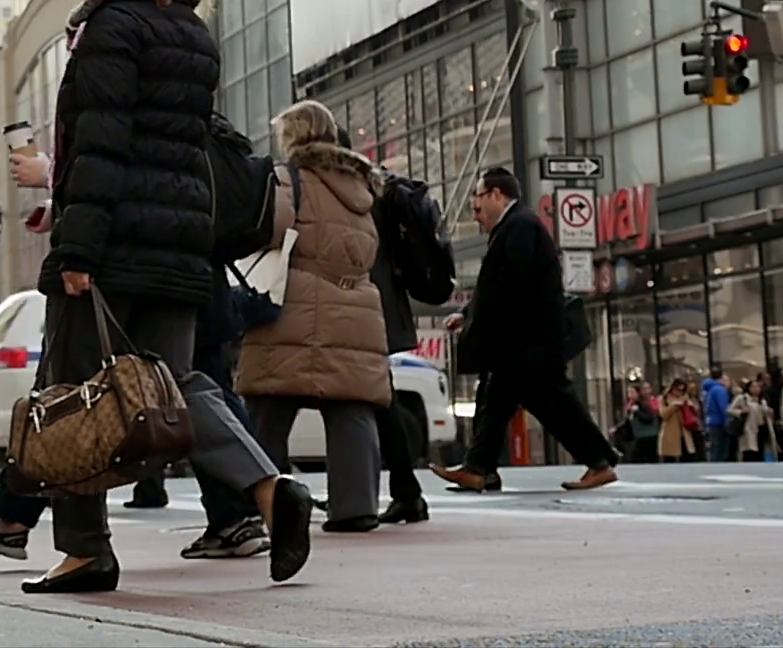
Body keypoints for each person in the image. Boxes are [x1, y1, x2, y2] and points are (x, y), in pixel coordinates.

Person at [0, 0, 312, 592]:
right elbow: (168, 147)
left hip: (113, 247)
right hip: (178, 245)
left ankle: (85, 550)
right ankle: (268, 488)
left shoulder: (110, 26)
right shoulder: (191, 31)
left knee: (71, 391)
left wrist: (76, 247)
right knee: (176, 385)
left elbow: (102, 146)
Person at [239, 102, 392, 534]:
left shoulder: (287, 180)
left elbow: (268, 232)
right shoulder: (361, 188)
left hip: (294, 306)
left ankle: (258, 506)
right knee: (351, 409)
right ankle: (356, 507)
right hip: (354, 308)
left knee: (267, 407)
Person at [432, 168, 618, 492]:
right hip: (523, 341)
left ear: (495, 194)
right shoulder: (515, 225)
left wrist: (479, 319)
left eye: (478, 197)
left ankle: (599, 460)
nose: (476, 208)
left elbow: (510, 282)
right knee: (507, 402)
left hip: (527, 340)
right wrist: (469, 314)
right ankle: (479, 468)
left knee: (545, 405)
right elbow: (499, 284)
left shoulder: (520, 225)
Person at [731, 377, 776, 462]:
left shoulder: (762, 401)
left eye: (758, 387)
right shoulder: (742, 398)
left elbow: (764, 412)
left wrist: (769, 411)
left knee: (760, 450)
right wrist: (741, 412)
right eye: (753, 387)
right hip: (748, 429)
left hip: (761, 428)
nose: (756, 389)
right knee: (750, 451)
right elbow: (730, 410)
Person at [659, 379, 699, 463]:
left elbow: (696, 413)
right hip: (670, 432)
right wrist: (675, 405)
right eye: (677, 390)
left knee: (686, 457)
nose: (679, 393)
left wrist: (691, 406)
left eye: (682, 390)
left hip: (685, 432)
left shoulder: (685, 398)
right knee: (670, 457)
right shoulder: (664, 399)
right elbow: (664, 414)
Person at [700, 365, 733, 462]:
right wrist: (727, 422)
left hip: (710, 421)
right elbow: (723, 408)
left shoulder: (708, 389)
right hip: (719, 423)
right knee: (720, 450)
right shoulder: (719, 390)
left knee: (714, 448)